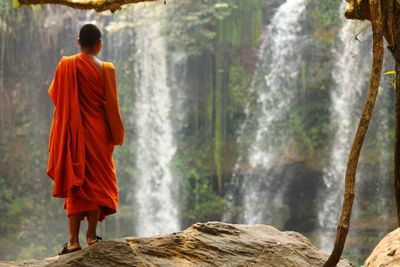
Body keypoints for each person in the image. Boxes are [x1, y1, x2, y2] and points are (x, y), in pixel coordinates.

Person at [47, 24, 124, 255]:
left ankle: (72, 241)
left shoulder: (66, 65)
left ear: (78, 42)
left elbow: (56, 96)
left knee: (77, 184)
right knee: (98, 183)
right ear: (100, 43)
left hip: (75, 134)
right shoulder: (108, 69)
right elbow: (112, 106)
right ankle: (91, 235)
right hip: (99, 136)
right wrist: (116, 134)